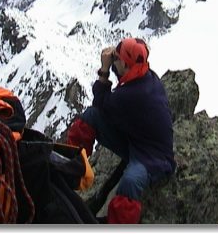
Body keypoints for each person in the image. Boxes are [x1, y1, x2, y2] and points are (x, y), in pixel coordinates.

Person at [67, 38, 176, 224]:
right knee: (92, 116)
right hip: (137, 141)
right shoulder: (146, 75)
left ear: (125, 64)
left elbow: (101, 101)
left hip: (155, 158)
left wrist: (104, 70)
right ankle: (72, 164)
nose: (113, 61)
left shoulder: (131, 95)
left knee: (130, 183)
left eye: (116, 58)